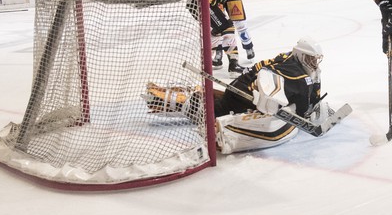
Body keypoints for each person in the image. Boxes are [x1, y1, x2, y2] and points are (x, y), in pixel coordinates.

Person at [144, 38, 348, 154]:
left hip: (243, 88)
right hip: (242, 95)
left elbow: (308, 94)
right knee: (217, 111)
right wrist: (278, 104)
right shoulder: (296, 72)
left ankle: (190, 95)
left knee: (222, 105)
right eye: (311, 58)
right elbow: (300, 102)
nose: (315, 62)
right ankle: (171, 99)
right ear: (301, 55)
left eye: (316, 59)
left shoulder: (294, 62)